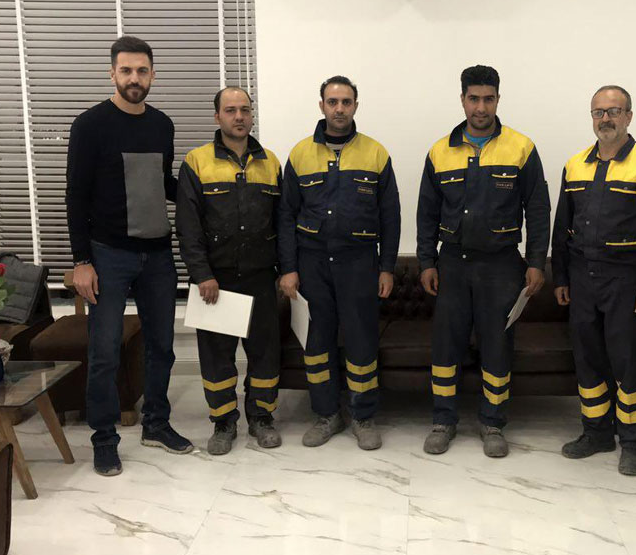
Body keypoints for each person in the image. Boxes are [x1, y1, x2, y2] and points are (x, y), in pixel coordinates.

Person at [66, 35, 192, 477]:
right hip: (107, 256)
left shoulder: (162, 125)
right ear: (112, 74)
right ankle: (104, 439)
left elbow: (162, 184)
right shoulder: (90, 125)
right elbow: (76, 195)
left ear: (153, 74)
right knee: (105, 353)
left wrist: (204, 195)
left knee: (162, 347)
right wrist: (81, 260)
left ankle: (156, 423)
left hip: (157, 255)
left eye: (141, 71)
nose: (134, 78)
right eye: (126, 71)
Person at [416, 65, 550, 458]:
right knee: (446, 345)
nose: (481, 107)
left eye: (488, 99)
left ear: (498, 100)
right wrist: (426, 262)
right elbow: (427, 213)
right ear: (462, 100)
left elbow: (538, 210)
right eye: (473, 98)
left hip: (501, 265)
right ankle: (443, 421)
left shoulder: (521, 148)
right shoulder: (440, 151)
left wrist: (536, 261)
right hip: (452, 265)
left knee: (497, 345)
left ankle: (493, 423)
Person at [551, 85, 636, 476]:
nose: (606, 119)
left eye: (614, 111)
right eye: (599, 112)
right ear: (592, 117)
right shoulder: (575, 165)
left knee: (628, 361)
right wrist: (560, 277)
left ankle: (633, 443)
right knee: (588, 359)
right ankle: (597, 432)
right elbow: (562, 227)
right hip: (582, 278)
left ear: (629, 116)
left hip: (626, 280)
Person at [278, 75, 400, 451]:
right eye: (332, 102)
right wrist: (288, 268)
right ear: (322, 106)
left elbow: (390, 216)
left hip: (359, 263)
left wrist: (386, 267)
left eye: (346, 102)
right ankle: (326, 414)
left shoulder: (375, 153)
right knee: (317, 343)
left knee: (362, 341)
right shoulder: (300, 154)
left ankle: (363, 416)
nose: (339, 109)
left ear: (355, 106)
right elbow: (286, 216)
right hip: (312, 263)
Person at [176, 87, 283, 455]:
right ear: (217, 116)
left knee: (265, 353)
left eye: (245, 110)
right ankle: (223, 422)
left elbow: (283, 222)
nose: (239, 117)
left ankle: (262, 417)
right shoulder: (196, 162)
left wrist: (285, 270)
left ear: (252, 115)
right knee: (217, 355)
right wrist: (202, 273)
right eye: (231, 110)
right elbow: (188, 226)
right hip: (216, 281)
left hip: (261, 277)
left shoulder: (270, 162)